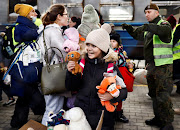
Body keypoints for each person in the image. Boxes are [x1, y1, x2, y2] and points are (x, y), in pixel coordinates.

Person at [122, 3, 174, 130]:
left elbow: (164, 32)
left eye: (149, 12)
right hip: (151, 67)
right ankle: (158, 118)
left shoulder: (164, 25)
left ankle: (167, 124)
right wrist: (129, 28)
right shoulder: (149, 30)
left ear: (157, 13)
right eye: (145, 13)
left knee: (163, 96)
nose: (146, 15)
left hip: (163, 67)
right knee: (154, 95)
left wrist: (146, 26)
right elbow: (138, 35)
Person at [66, 24, 128, 130]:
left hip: (103, 116)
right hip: (82, 114)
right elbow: (71, 87)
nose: (89, 49)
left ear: (103, 48)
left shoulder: (111, 67)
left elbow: (124, 91)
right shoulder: (81, 64)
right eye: (88, 45)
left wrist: (112, 96)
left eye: (93, 46)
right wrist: (71, 73)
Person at [10, 4, 45, 128]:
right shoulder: (20, 27)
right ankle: (42, 112)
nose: (35, 14)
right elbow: (32, 35)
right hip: (24, 69)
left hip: (27, 69)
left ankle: (17, 123)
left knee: (23, 98)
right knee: (33, 96)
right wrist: (41, 26)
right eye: (32, 12)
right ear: (26, 14)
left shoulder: (25, 26)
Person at [37, 4, 69, 125]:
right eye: (66, 14)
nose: (68, 17)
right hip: (54, 73)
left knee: (52, 108)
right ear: (59, 16)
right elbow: (63, 53)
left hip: (48, 72)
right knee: (52, 110)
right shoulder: (54, 31)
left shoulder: (47, 29)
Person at [110, 33, 129, 123]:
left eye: (113, 41)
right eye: (110, 41)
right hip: (111, 76)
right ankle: (112, 112)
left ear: (118, 43)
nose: (111, 43)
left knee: (119, 94)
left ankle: (118, 113)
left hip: (119, 77)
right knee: (112, 94)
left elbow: (124, 61)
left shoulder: (120, 52)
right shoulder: (108, 51)